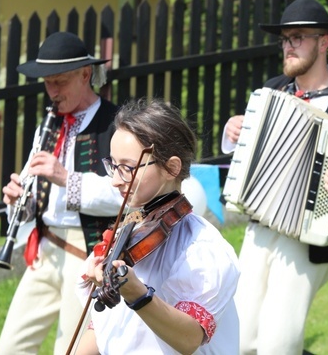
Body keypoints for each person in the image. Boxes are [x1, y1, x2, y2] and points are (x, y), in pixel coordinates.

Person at [221, 0, 328, 354]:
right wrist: (233, 131)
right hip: (259, 225)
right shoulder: (270, 91)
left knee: (279, 340)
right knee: (240, 336)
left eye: (298, 38)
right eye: (285, 39)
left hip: (312, 236)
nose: (288, 46)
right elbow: (246, 153)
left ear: (324, 42)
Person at [76, 99, 240, 354]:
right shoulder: (129, 230)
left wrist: (137, 294)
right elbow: (105, 324)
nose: (116, 181)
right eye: (113, 166)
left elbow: (189, 338)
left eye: (127, 168)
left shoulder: (201, 247)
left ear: (171, 168)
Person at [0, 31, 122, 355]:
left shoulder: (116, 125)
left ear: (85, 75)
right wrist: (16, 201)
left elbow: (127, 196)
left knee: (69, 351)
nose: (52, 91)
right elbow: (35, 191)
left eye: (60, 82)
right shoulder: (49, 123)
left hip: (88, 253)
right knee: (11, 347)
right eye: (47, 83)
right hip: (45, 250)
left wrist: (68, 178)